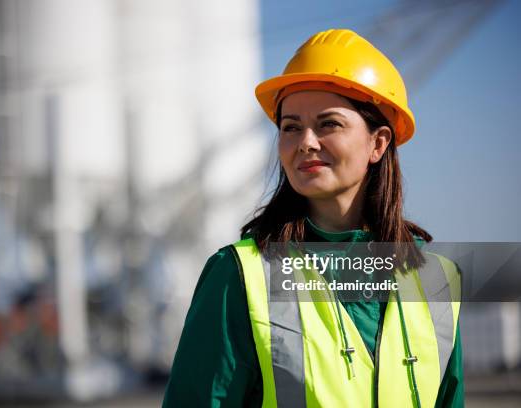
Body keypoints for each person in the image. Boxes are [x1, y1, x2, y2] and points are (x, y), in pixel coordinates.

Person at [162, 28, 463, 407]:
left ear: (378, 142)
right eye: (290, 127)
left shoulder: (436, 281)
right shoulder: (240, 275)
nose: (305, 141)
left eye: (328, 124)